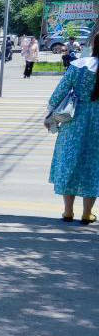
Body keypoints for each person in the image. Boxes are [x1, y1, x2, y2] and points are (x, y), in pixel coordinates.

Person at [49, 34, 99, 225]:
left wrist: (50, 113)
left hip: (74, 120)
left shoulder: (79, 65)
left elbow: (59, 92)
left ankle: (68, 211)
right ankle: (87, 213)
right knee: (93, 166)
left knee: (70, 162)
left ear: (94, 44)